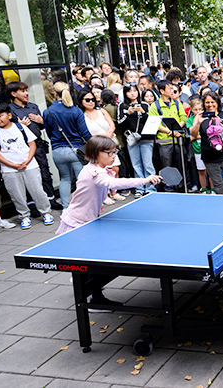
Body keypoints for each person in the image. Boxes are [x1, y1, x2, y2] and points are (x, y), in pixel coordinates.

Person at [57, 135, 161, 307]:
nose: (114, 156)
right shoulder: (94, 172)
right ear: (96, 153)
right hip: (78, 222)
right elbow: (115, 183)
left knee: (92, 261)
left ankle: (88, 287)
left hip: (88, 220)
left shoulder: (96, 168)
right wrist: (144, 180)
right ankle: (93, 298)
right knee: (91, 262)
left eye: (115, 152)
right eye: (110, 152)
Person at [0, 103, 54, 229]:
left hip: (29, 166)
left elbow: (32, 144)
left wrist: (27, 161)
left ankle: (46, 213)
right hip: (9, 170)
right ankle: (24, 216)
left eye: (0, 116)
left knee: (38, 191)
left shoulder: (20, 127)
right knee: (17, 195)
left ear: (9, 115)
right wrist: (12, 165)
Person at [7, 82, 60, 209]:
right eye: (22, 91)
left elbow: (42, 126)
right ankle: (32, 206)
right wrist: (21, 127)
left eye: (26, 90)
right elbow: (8, 131)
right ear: (13, 94)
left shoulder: (33, 107)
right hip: (21, 149)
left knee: (45, 173)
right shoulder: (9, 110)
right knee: (27, 177)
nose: (26, 93)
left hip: (38, 145)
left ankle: (51, 200)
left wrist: (42, 121)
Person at [43, 82, 92, 208]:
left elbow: (49, 133)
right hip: (75, 150)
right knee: (82, 180)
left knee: (65, 179)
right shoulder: (76, 111)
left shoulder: (47, 111)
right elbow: (85, 132)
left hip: (57, 151)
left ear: (54, 93)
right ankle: (84, 206)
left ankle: (66, 208)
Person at [78, 89, 122, 205]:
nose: (91, 102)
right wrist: (104, 135)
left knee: (115, 168)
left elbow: (112, 124)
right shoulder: (81, 115)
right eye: (87, 100)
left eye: (92, 99)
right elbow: (85, 132)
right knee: (102, 171)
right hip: (97, 146)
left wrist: (110, 133)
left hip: (110, 143)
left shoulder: (101, 110)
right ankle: (104, 195)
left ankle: (114, 192)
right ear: (81, 101)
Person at [150, 80, 188, 191]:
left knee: (181, 164)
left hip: (178, 140)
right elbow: (154, 123)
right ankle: (169, 188)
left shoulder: (176, 103)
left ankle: (182, 186)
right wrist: (169, 131)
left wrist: (177, 129)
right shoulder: (155, 105)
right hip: (164, 142)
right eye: (169, 88)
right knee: (166, 166)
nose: (172, 91)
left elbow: (183, 117)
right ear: (162, 91)